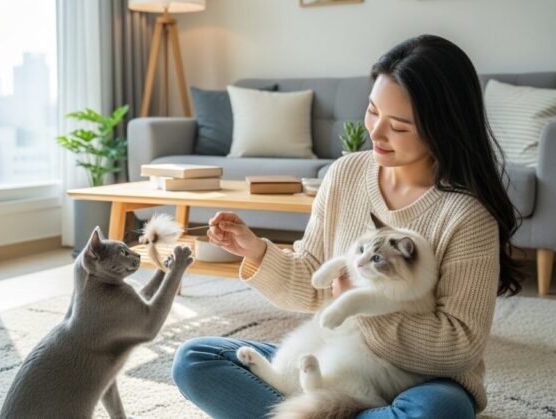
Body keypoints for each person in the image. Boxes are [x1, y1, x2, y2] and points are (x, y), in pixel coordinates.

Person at [171, 34, 524, 419]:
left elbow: (460, 346)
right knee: (195, 359)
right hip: (338, 360)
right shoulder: (346, 174)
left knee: (439, 410)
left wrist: (358, 308)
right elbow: (312, 281)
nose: (375, 132)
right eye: (372, 111)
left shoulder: (466, 215)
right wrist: (254, 250)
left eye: (399, 126)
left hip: (419, 380)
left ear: (442, 127)